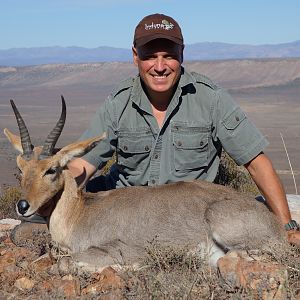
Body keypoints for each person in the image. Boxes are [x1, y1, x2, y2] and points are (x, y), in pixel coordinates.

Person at [17, 13, 300, 245]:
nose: (160, 66)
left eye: (169, 56)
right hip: (125, 214)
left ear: (182, 54)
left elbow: (256, 164)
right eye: (151, 56)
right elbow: (82, 165)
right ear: (135, 56)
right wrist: (48, 189)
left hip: (184, 210)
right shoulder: (119, 102)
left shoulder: (210, 98)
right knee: (40, 229)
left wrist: (286, 225)